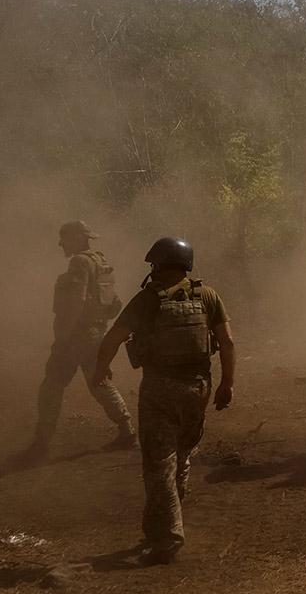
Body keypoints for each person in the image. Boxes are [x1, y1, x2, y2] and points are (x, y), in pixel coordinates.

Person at [93, 237, 236, 565]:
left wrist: (100, 369)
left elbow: (113, 337)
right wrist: (226, 385)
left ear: (158, 264)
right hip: (198, 389)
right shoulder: (207, 295)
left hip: (160, 390)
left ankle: (168, 537)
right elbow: (227, 342)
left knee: (159, 464)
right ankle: (159, 526)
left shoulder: (148, 299)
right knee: (180, 458)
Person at [22, 221, 135, 462]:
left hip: (77, 336)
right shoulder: (100, 261)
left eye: (64, 238)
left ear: (76, 238)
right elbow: (114, 304)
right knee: (100, 382)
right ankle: (127, 430)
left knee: (52, 386)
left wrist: (64, 337)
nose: (60, 243)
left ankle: (42, 443)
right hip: (95, 334)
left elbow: (76, 301)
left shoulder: (80, 263)